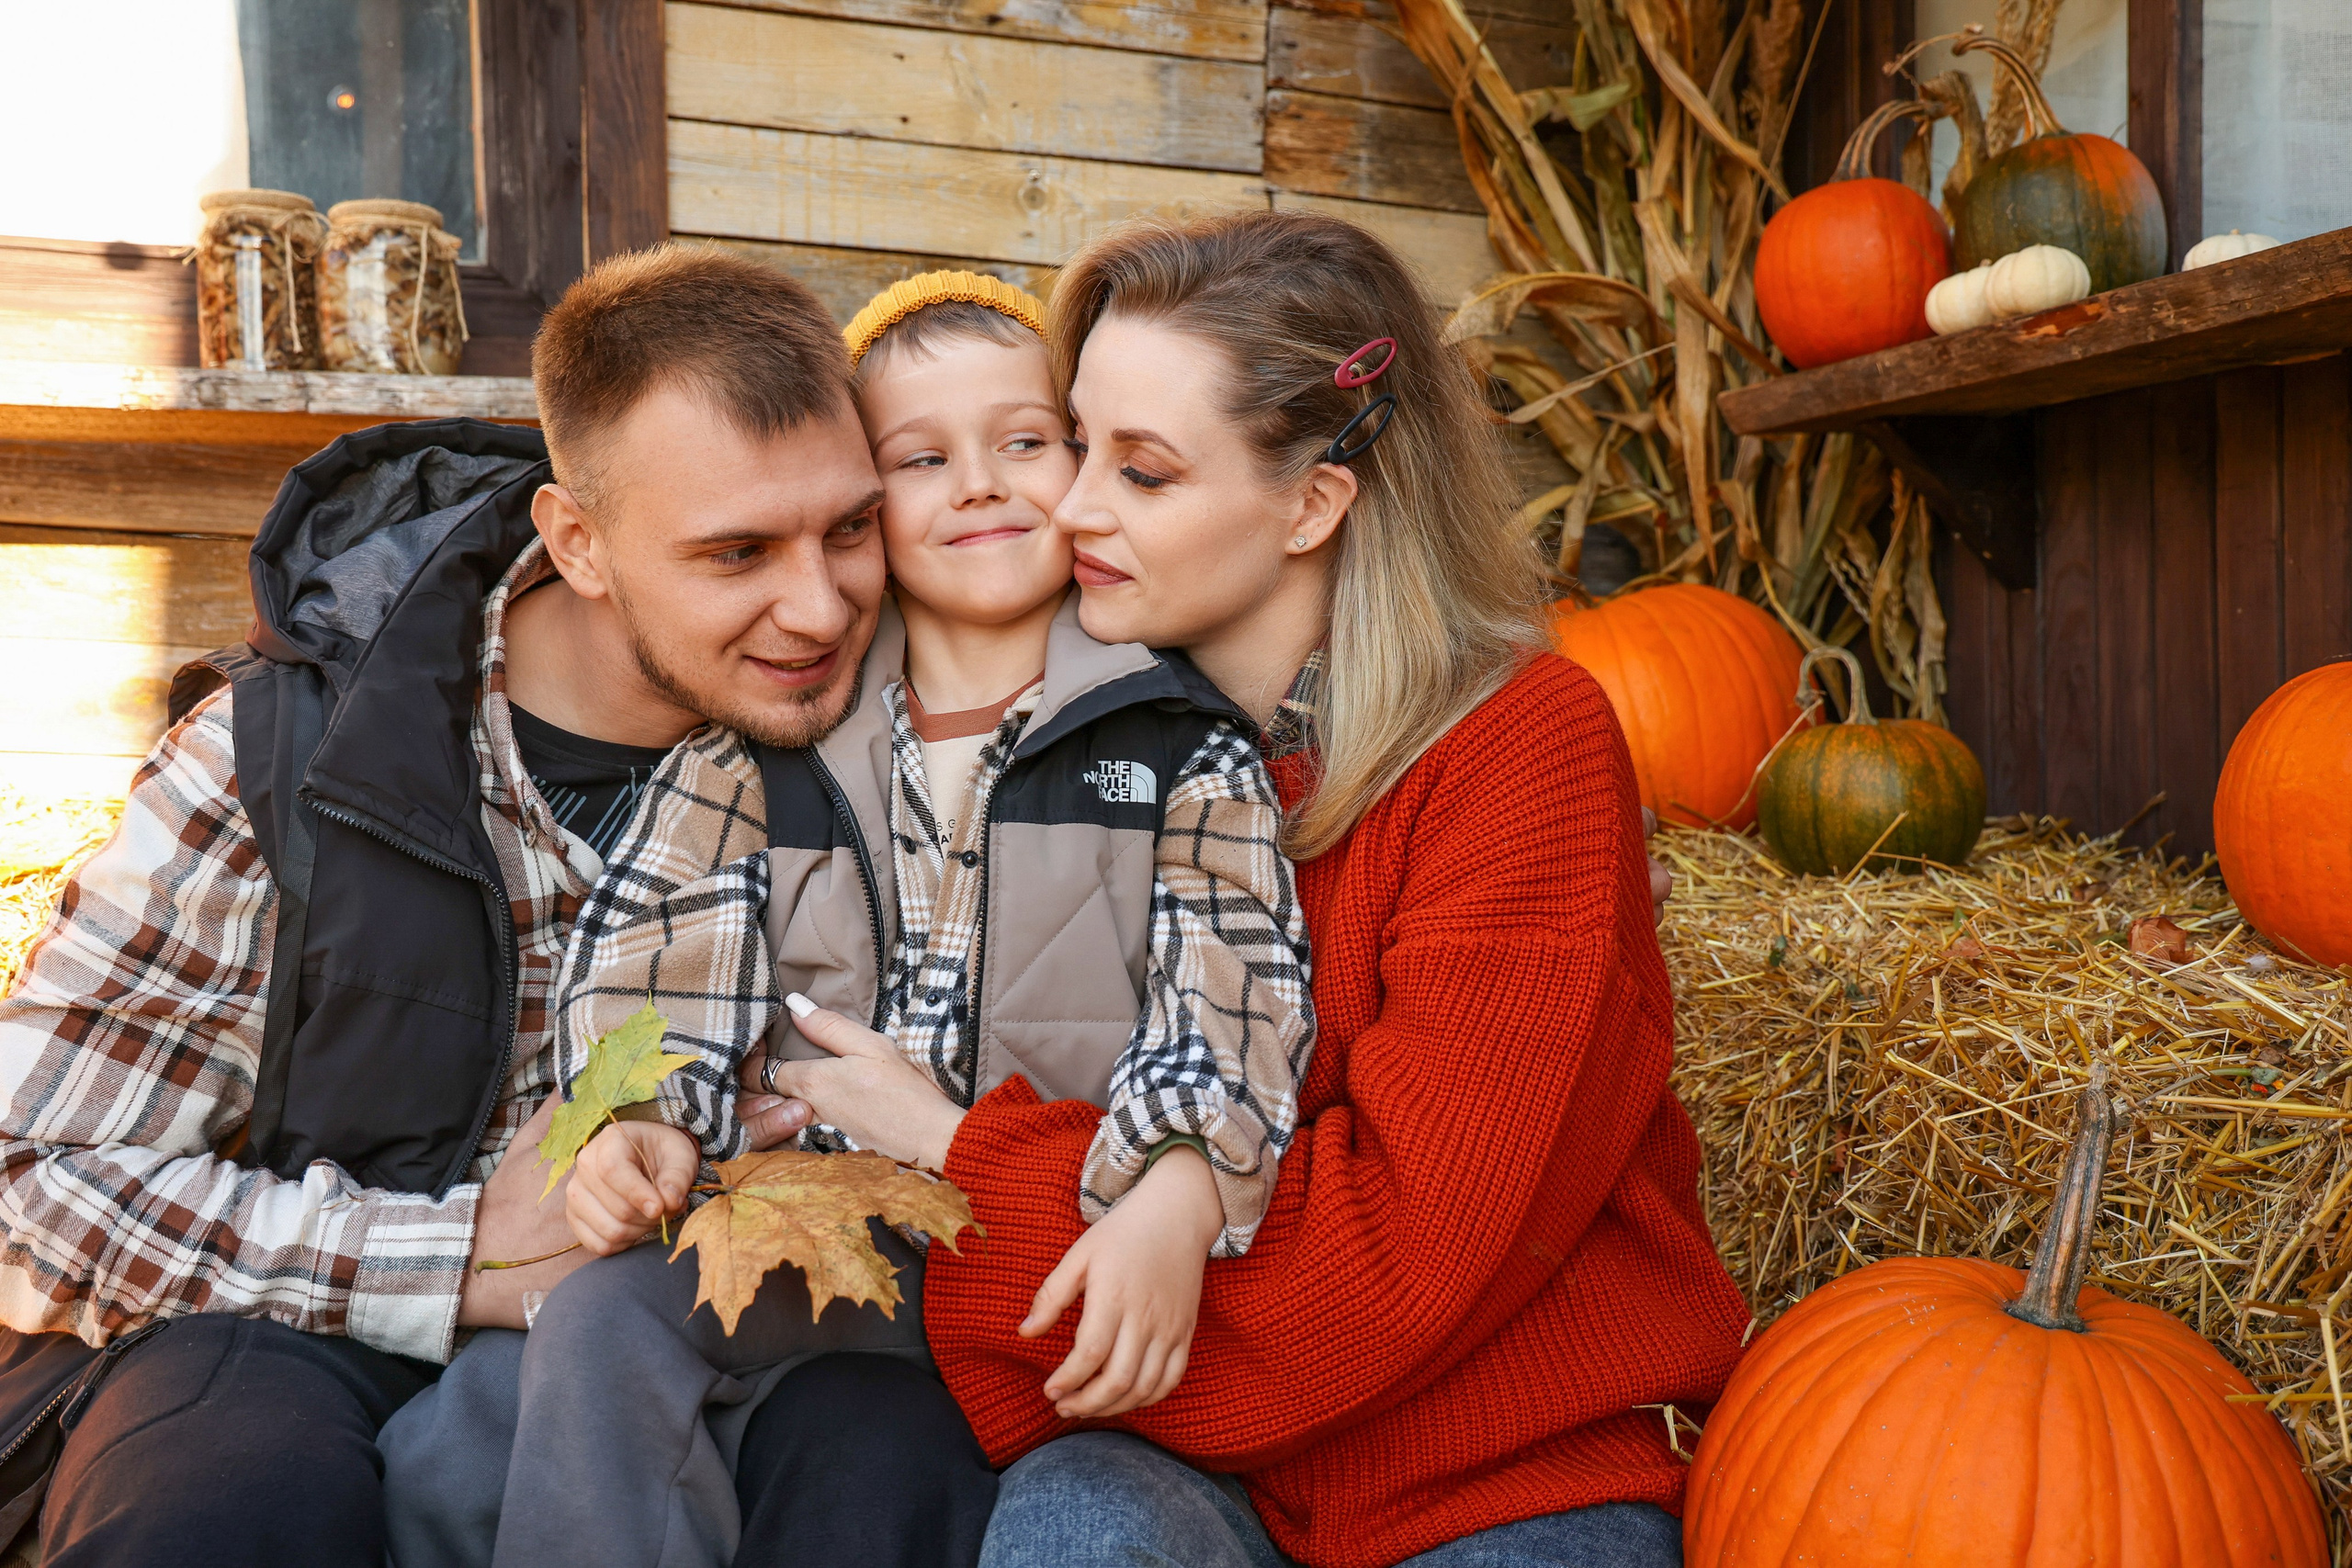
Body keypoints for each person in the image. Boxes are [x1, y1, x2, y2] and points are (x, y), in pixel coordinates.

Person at [733, 209, 1749, 1567]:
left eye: (1142, 474)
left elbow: (1383, 1273)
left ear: (1312, 502)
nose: (1071, 504)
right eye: (1079, 444)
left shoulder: (1521, 749)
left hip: (1491, 1470)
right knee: (1071, 1534)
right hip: (1182, 1453)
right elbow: (1095, 1309)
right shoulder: (1105, 747)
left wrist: (958, 1150)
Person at [0, 246, 996, 1567]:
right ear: (576, 542)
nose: (819, 605)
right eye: (737, 550)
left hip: (709, 1339)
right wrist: (456, 1258)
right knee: (229, 1504)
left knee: (894, 1469)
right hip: (300, 1335)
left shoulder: (913, 738)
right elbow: (35, 1184)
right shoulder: (286, 757)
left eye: (849, 527)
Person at [381, 271, 1313, 1568]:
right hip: (804, 1230)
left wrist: (1171, 1193)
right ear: (875, 511)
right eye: (921, 460)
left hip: (1032, 1247)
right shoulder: (769, 746)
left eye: (1025, 444)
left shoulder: (1172, 745)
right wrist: (640, 1120)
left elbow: (1234, 993)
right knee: (574, 1338)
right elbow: (658, 953)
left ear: (1086, 469)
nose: (980, 485)